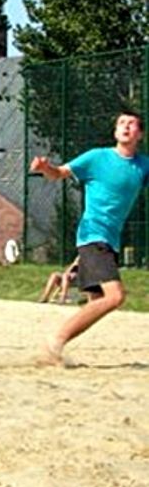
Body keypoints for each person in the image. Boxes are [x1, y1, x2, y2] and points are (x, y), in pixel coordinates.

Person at [31, 111, 149, 365]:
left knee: (97, 301)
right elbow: (60, 173)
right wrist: (44, 168)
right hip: (93, 235)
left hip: (110, 241)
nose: (125, 127)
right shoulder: (97, 157)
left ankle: (57, 346)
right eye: (120, 123)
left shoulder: (142, 166)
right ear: (115, 131)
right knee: (115, 297)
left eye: (131, 124)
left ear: (140, 134)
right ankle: (55, 342)